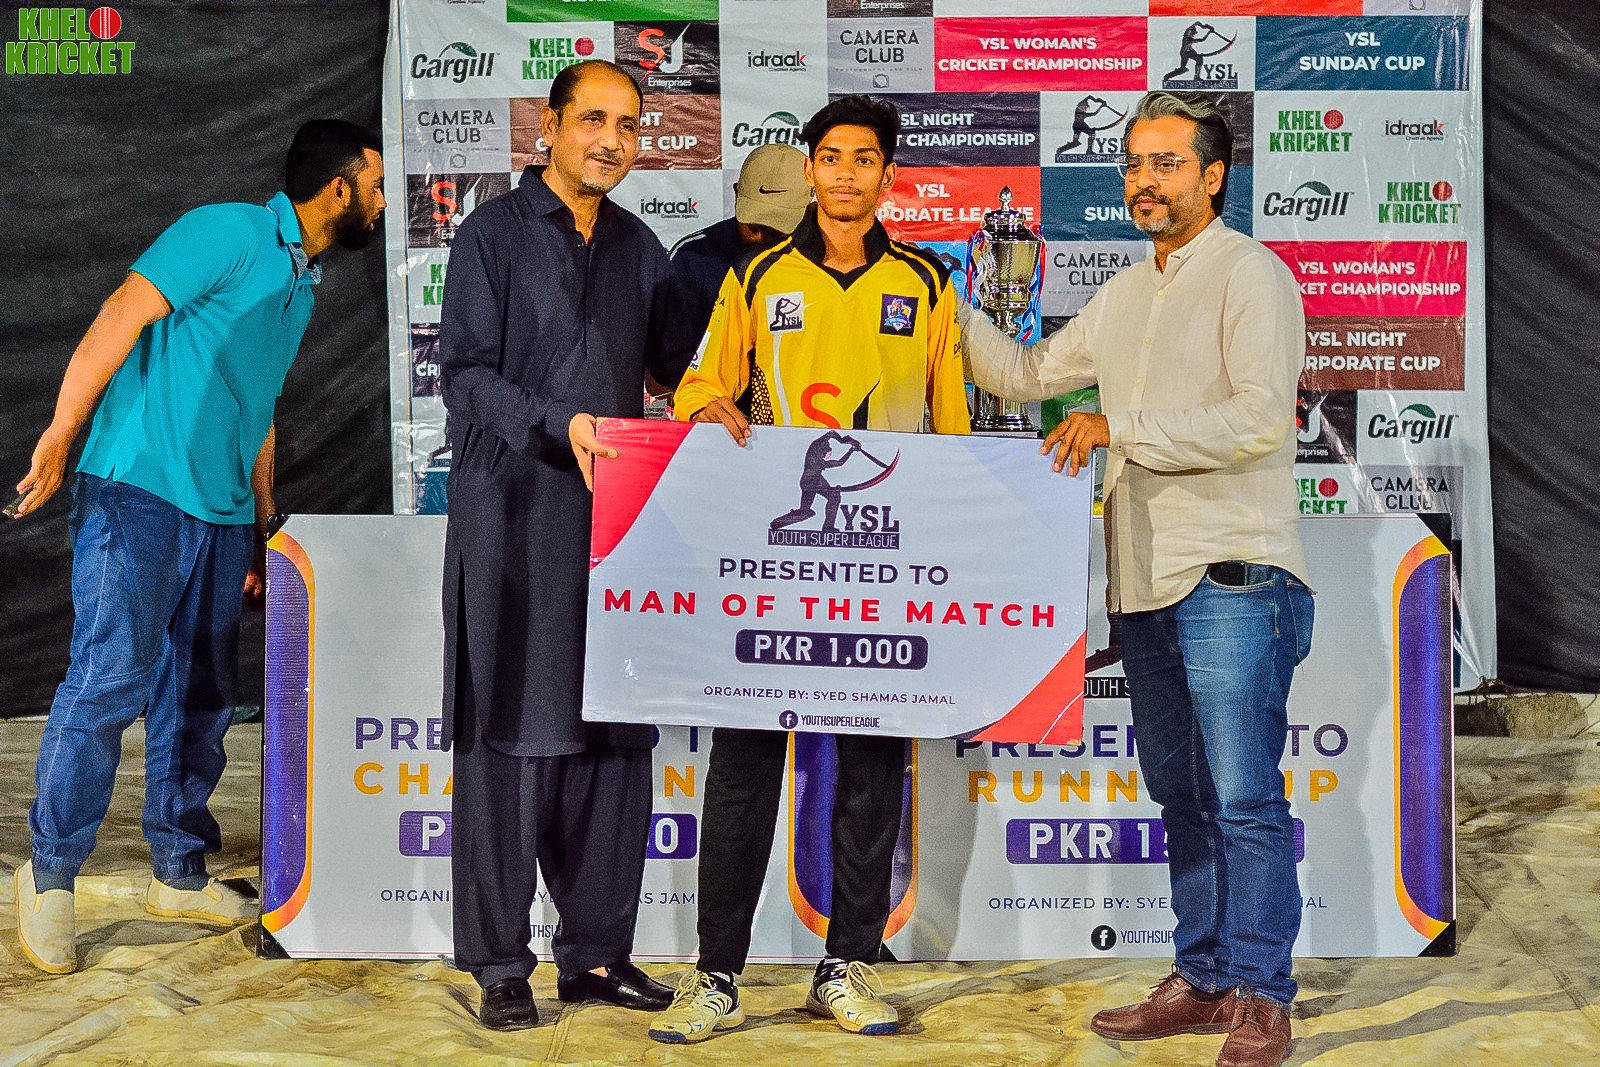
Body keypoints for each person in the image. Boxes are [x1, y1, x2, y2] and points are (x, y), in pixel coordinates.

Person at [960, 91, 1311, 1067]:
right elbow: (1024, 374)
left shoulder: (1251, 275)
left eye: (1165, 163)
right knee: (1183, 795)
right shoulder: (1123, 293)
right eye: (1132, 165)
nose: (1142, 181)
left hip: (1233, 575)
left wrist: (1120, 427)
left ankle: (1263, 994)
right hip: (1143, 583)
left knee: (1244, 798)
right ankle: (1203, 977)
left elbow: (1259, 420)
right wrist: (950, 304)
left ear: (1212, 176)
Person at [11, 119, 386, 975]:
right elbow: (123, 309)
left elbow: (259, 404)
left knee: (202, 695)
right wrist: (62, 431)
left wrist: (262, 520)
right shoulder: (229, 231)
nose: (380, 202)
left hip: (220, 513)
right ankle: (51, 873)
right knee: (110, 678)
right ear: (338, 188)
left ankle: (177, 871)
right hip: (137, 488)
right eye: (374, 186)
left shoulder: (303, 282)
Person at [647, 94, 970, 1045]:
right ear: (812, 170)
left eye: (864, 159)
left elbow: (951, 428)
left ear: (886, 176)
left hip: (880, 566)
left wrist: (952, 544)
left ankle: (847, 965)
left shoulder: (927, 284)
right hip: (775, 563)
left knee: (871, 766)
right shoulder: (756, 277)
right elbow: (699, 383)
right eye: (830, 157)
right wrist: (706, 406)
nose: (845, 174)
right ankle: (716, 974)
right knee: (744, 766)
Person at [437, 59, 692, 1032]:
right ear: (547, 126)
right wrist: (562, 422)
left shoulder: (640, 246)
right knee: (507, 739)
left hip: (616, 533)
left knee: (614, 740)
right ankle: (502, 963)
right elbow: (464, 375)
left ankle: (594, 954)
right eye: (591, 119)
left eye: (627, 125)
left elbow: (672, 370)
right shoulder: (491, 234)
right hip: (512, 519)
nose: (610, 140)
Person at [669, 142, 810, 334]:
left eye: (776, 228)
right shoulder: (691, 257)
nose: (760, 238)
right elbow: (674, 347)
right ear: (736, 194)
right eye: (753, 225)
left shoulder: (828, 257)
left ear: (808, 207)